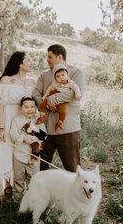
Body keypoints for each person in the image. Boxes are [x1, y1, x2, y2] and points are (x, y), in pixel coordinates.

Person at [0, 51, 36, 196]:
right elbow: (0, 105)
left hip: (23, 121)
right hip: (6, 120)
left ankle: (23, 186)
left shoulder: (32, 82)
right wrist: (1, 128)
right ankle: (7, 186)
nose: (32, 63)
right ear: (20, 63)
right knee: (5, 151)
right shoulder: (6, 80)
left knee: (22, 150)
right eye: (29, 60)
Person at [32, 44, 85, 172]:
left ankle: (76, 193)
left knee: (73, 170)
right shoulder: (44, 75)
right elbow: (35, 93)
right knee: (40, 169)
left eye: (50, 57)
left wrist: (51, 100)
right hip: (45, 130)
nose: (47, 60)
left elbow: (74, 94)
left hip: (68, 130)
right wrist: (45, 105)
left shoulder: (76, 73)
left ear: (59, 57)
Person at [10, 96, 47, 201]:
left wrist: (34, 137)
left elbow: (44, 135)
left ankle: (32, 200)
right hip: (19, 155)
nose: (30, 109)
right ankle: (17, 199)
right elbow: (13, 134)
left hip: (34, 155)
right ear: (20, 108)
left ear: (36, 108)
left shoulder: (38, 121)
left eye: (32, 107)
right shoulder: (16, 120)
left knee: (34, 178)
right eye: (26, 107)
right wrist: (24, 138)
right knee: (18, 179)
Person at [36, 63, 82, 134]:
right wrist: (45, 97)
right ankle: (42, 117)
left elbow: (76, 88)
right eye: (58, 76)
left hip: (63, 98)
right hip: (54, 92)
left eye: (63, 75)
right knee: (43, 103)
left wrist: (78, 95)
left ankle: (59, 123)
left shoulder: (70, 83)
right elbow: (49, 89)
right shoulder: (54, 83)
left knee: (63, 111)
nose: (61, 78)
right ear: (55, 78)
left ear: (67, 75)